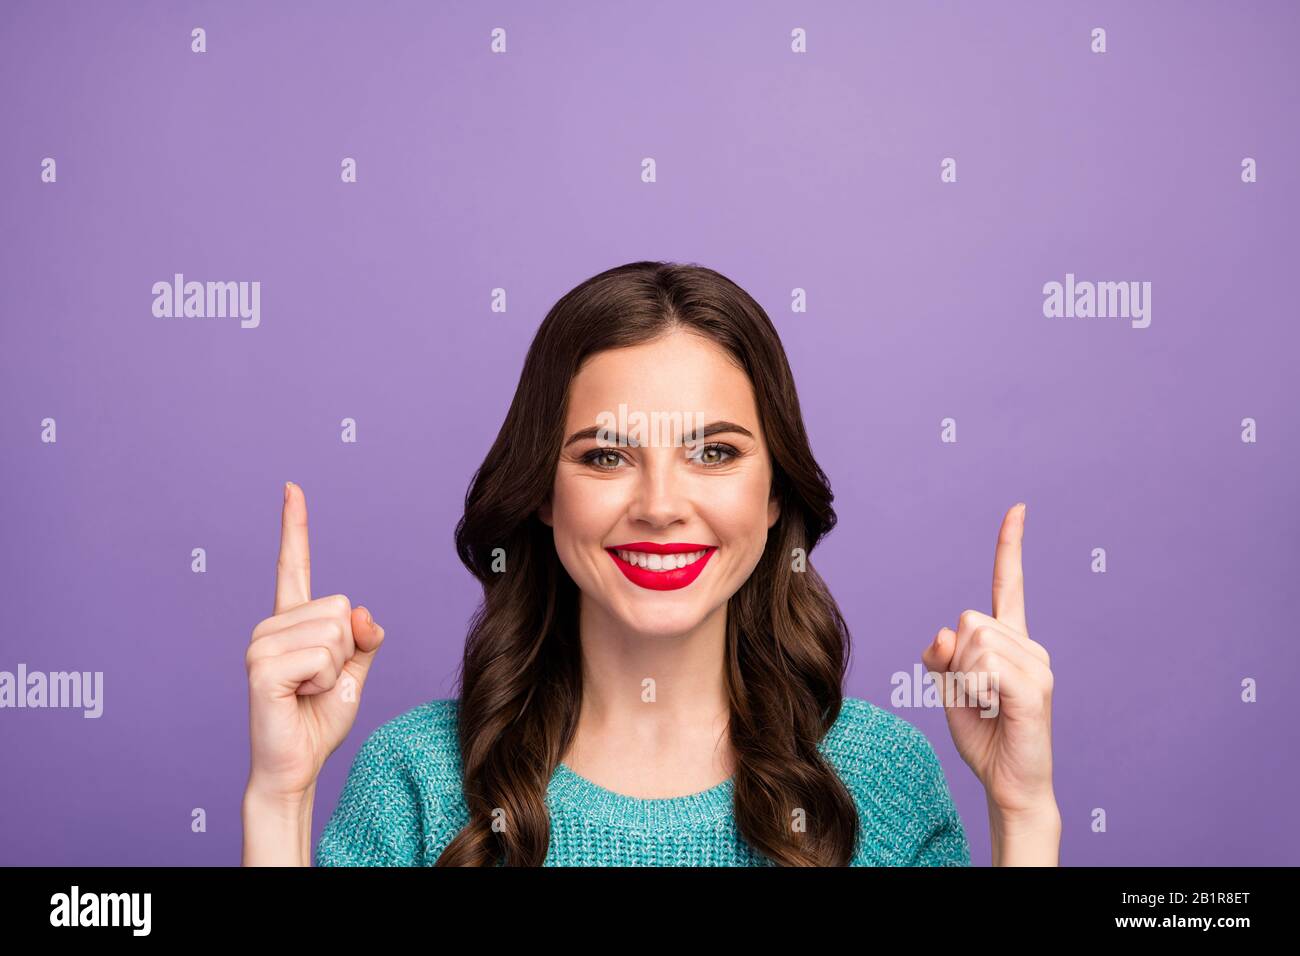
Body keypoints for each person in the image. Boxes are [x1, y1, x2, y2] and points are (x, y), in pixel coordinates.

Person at [241, 261, 1060, 866]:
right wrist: (280, 799)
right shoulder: (415, 780)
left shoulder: (881, 780)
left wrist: (1023, 813)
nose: (661, 505)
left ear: (775, 496)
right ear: (540, 494)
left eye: (713, 452)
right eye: (605, 457)